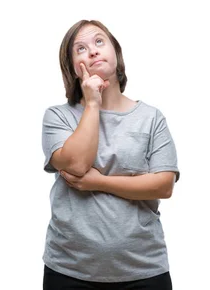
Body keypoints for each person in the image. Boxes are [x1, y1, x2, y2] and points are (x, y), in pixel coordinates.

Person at [41, 20, 179, 289]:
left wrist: (99, 182)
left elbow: (163, 185)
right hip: (69, 270)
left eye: (99, 42)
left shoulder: (151, 118)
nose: (92, 51)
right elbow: (78, 164)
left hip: (144, 270)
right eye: (80, 48)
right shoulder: (58, 116)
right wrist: (92, 102)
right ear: (72, 67)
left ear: (116, 51)